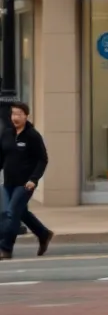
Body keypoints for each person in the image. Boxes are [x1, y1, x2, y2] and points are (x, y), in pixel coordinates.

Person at [0, 102, 51, 259]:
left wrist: (34, 179)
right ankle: (43, 234)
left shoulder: (32, 136)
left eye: (19, 114)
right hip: (8, 182)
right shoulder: (6, 133)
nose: (15, 117)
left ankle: (5, 248)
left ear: (26, 116)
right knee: (18, 213)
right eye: (13, 114)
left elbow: (42, 159)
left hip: (25, 183)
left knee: (12, 213)